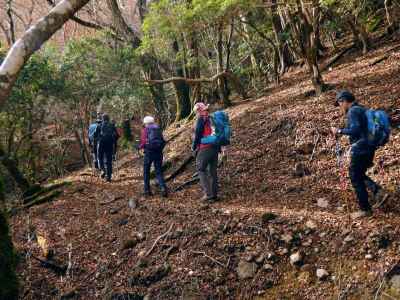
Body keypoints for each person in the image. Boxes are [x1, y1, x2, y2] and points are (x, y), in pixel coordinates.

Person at [331, 90, 382, 218]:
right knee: (359, 174)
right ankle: (378, 191)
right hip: (369, 147)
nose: (340, 107)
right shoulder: (362, 109)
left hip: (360, 148)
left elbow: (355, 129)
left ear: (344, 100)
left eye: (339, 103)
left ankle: (365, 209)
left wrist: (339, 131)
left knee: (354, 176)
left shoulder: (353, 111)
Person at [192, 102, 220, 202]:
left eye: (196, 111)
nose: (196, 113)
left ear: (198, 110)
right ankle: (214, 194)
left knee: (201, 169)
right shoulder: (212, 117)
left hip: (205, 147)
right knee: (213, 171)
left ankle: (208, 194)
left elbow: (197, 134)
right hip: (215, 147)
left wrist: (193, 147)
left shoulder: (201, 119)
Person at [139, 116, 168, 198]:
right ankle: (163, 188)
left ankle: (147, 190)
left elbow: (143, 142)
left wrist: (140, 147)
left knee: (146, 171)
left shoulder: (146, 130)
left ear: (146, 123)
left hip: (149, 153)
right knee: (158, 171)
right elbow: (162, 140)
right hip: (158, 153)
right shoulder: (158, 129)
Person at [94, 114, 118, 182]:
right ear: (109, 119)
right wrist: (114, 142)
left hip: (101, 144)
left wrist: (97, 141)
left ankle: (103, 170)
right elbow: (116, 136)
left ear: (102, 119)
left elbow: (95, 135)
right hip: (109, 144)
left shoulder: (99, 125)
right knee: (109, 160)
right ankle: (109, 177)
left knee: (99, 157)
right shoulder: (112, 125)